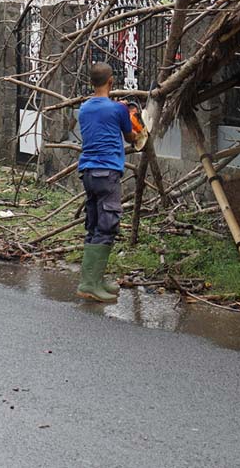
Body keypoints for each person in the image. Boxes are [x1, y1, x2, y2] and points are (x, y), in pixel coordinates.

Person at [74, 62, 136, 302]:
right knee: (107, 224)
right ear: (111, 82)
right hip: (107, 172)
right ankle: (89, 284)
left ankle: (95, 280)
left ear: (91, 82)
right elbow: (130, 136)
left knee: (93, 223)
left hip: (88, 173)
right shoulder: (118, 109)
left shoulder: (84, 108)